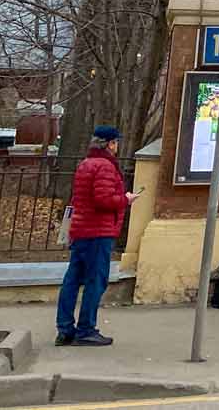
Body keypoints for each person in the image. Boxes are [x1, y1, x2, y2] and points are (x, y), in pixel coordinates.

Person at [56, 126, 137, 346]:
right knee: (95, 281)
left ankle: (64, 328)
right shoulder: (105, 166)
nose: (117, 146)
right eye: (116, 142)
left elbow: (81, 198)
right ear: (110, 144)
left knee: (72, 280)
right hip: (98, 231)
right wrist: (126, 199)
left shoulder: (85, 164)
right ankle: (86, 330)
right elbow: (103, 200)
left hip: (81, 230)